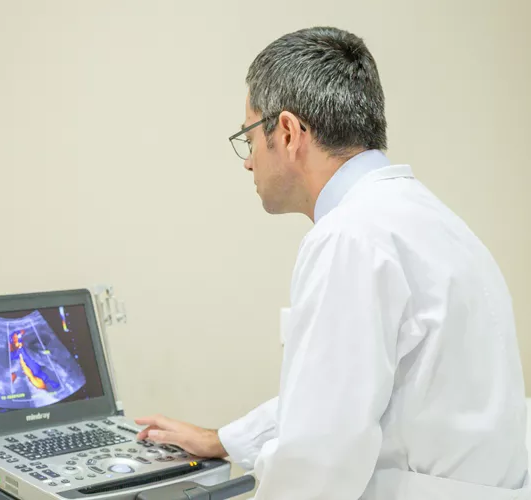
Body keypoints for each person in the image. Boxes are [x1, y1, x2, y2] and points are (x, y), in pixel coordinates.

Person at [135, 27, 530, 499]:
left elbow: (317, 458)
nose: (248, 162)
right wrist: (223, 441)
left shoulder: (350, 237)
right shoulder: (426, 218)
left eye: (249, 136)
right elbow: (343, 394)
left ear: (287, 133)